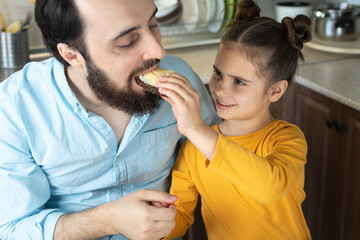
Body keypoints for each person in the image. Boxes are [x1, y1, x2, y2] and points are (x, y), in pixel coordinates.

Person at [0, 0, 219, 239]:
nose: (158, 51)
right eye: (127, 42)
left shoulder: (180, 77)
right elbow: (12, 229)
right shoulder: (14, 108)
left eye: (153, 24)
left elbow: (222, 168)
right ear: (72, 55)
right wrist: (109, 220)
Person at [155, 0, 312, 239]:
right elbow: (182, 215)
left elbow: (269, 186)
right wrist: (155, 225)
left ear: (275, 91)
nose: (220, 90)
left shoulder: (286, 138)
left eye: (239, 81)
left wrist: (197, 129)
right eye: (218, 73)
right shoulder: (196, 148)